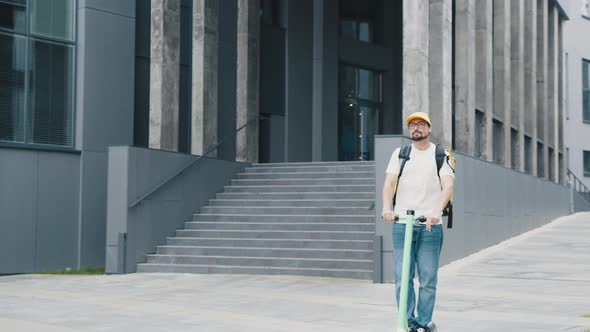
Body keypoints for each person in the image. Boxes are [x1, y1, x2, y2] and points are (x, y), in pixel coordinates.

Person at [381, 112, 455, 332]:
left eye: (421, 124)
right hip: (403, 224)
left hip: (430, 226)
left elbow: (448, 186)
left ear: (429, 129)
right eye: (412, 125)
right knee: (402, 279)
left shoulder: (441, 154)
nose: (416, 128)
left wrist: (436, 211)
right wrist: (387, 208)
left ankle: (423, 323)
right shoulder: (400, 153)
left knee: (428, 278)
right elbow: (389, 184)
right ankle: (407, 322)